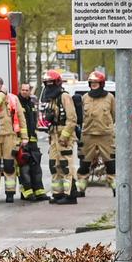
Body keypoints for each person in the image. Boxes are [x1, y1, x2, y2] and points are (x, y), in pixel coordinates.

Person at [38, 69, 78, 204]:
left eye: (51, 82)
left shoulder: (64, 97)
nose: (49, 85)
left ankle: (70, 194)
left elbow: (72, 119)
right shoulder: (51, 99)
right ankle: (58, 193)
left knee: (66, 165)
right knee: (54, 165)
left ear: (57, 82)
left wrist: (64, 136)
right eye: (47, 83)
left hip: (63, 135)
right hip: (54, 135)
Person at [77, 68, 116, 188]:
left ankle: (114, 184)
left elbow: (114, 115)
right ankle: (82, 184)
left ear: (101, 84)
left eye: (96, 83)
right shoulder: (85, 98)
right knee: (84, 162)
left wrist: (107, 126)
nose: (93, 85)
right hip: (88, 134)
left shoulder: (110, 97)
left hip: (105, 135)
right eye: (91, 83)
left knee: (110, 162)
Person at [0, 77, 24, 203]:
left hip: (10, 136)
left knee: (9, 165)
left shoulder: (13, 98)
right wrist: (1, 94)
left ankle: (10, 193)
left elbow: (21, 118)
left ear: (1, 86)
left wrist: (24, 137)